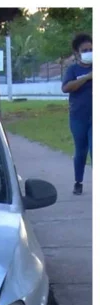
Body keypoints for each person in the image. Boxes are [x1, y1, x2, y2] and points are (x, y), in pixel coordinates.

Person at [62, 33, 93, 195]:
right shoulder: (73, 69)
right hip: (78, 117)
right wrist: (87, 78)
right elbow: (66, 87)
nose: (89, 52)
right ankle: (78, 181)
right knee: (81, 151)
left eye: (91, 49)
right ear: (77, 53)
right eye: (85, 50)